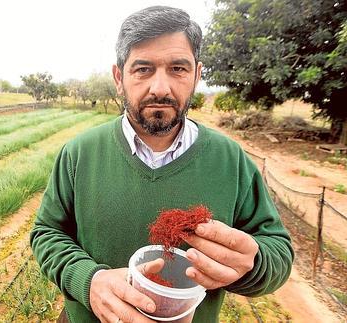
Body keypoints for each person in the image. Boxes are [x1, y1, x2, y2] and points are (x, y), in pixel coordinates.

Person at [30, 5, 293, 323]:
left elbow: (277, 249)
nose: (160, 88)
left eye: (178, 69)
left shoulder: (231, 160)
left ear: (196, 74)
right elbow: (47, 232)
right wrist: (88, 281)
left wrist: (252, 263)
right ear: (119, 77)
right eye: (143, 69)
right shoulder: (79, 154)